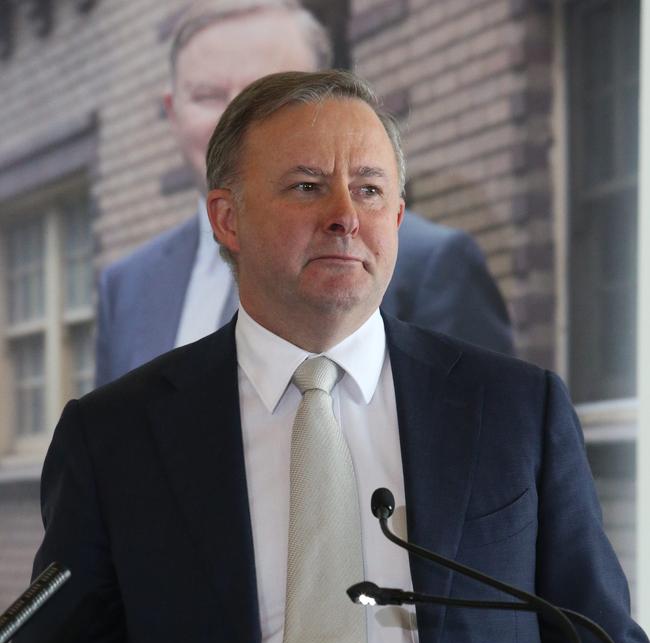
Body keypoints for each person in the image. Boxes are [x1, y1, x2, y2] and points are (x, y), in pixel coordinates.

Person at [0, 69, 648, 643]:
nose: (345, 215)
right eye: (308, 187)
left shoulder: (513, 408)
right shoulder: (117, 436)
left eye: (370, 190)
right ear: (227, 219)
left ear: (399, 216)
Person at [94, 0, 513, 389]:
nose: (235, 118)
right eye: (208, 95)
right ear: (172, 110)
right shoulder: (127, 287)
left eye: (270, 93)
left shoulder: (434, 266)